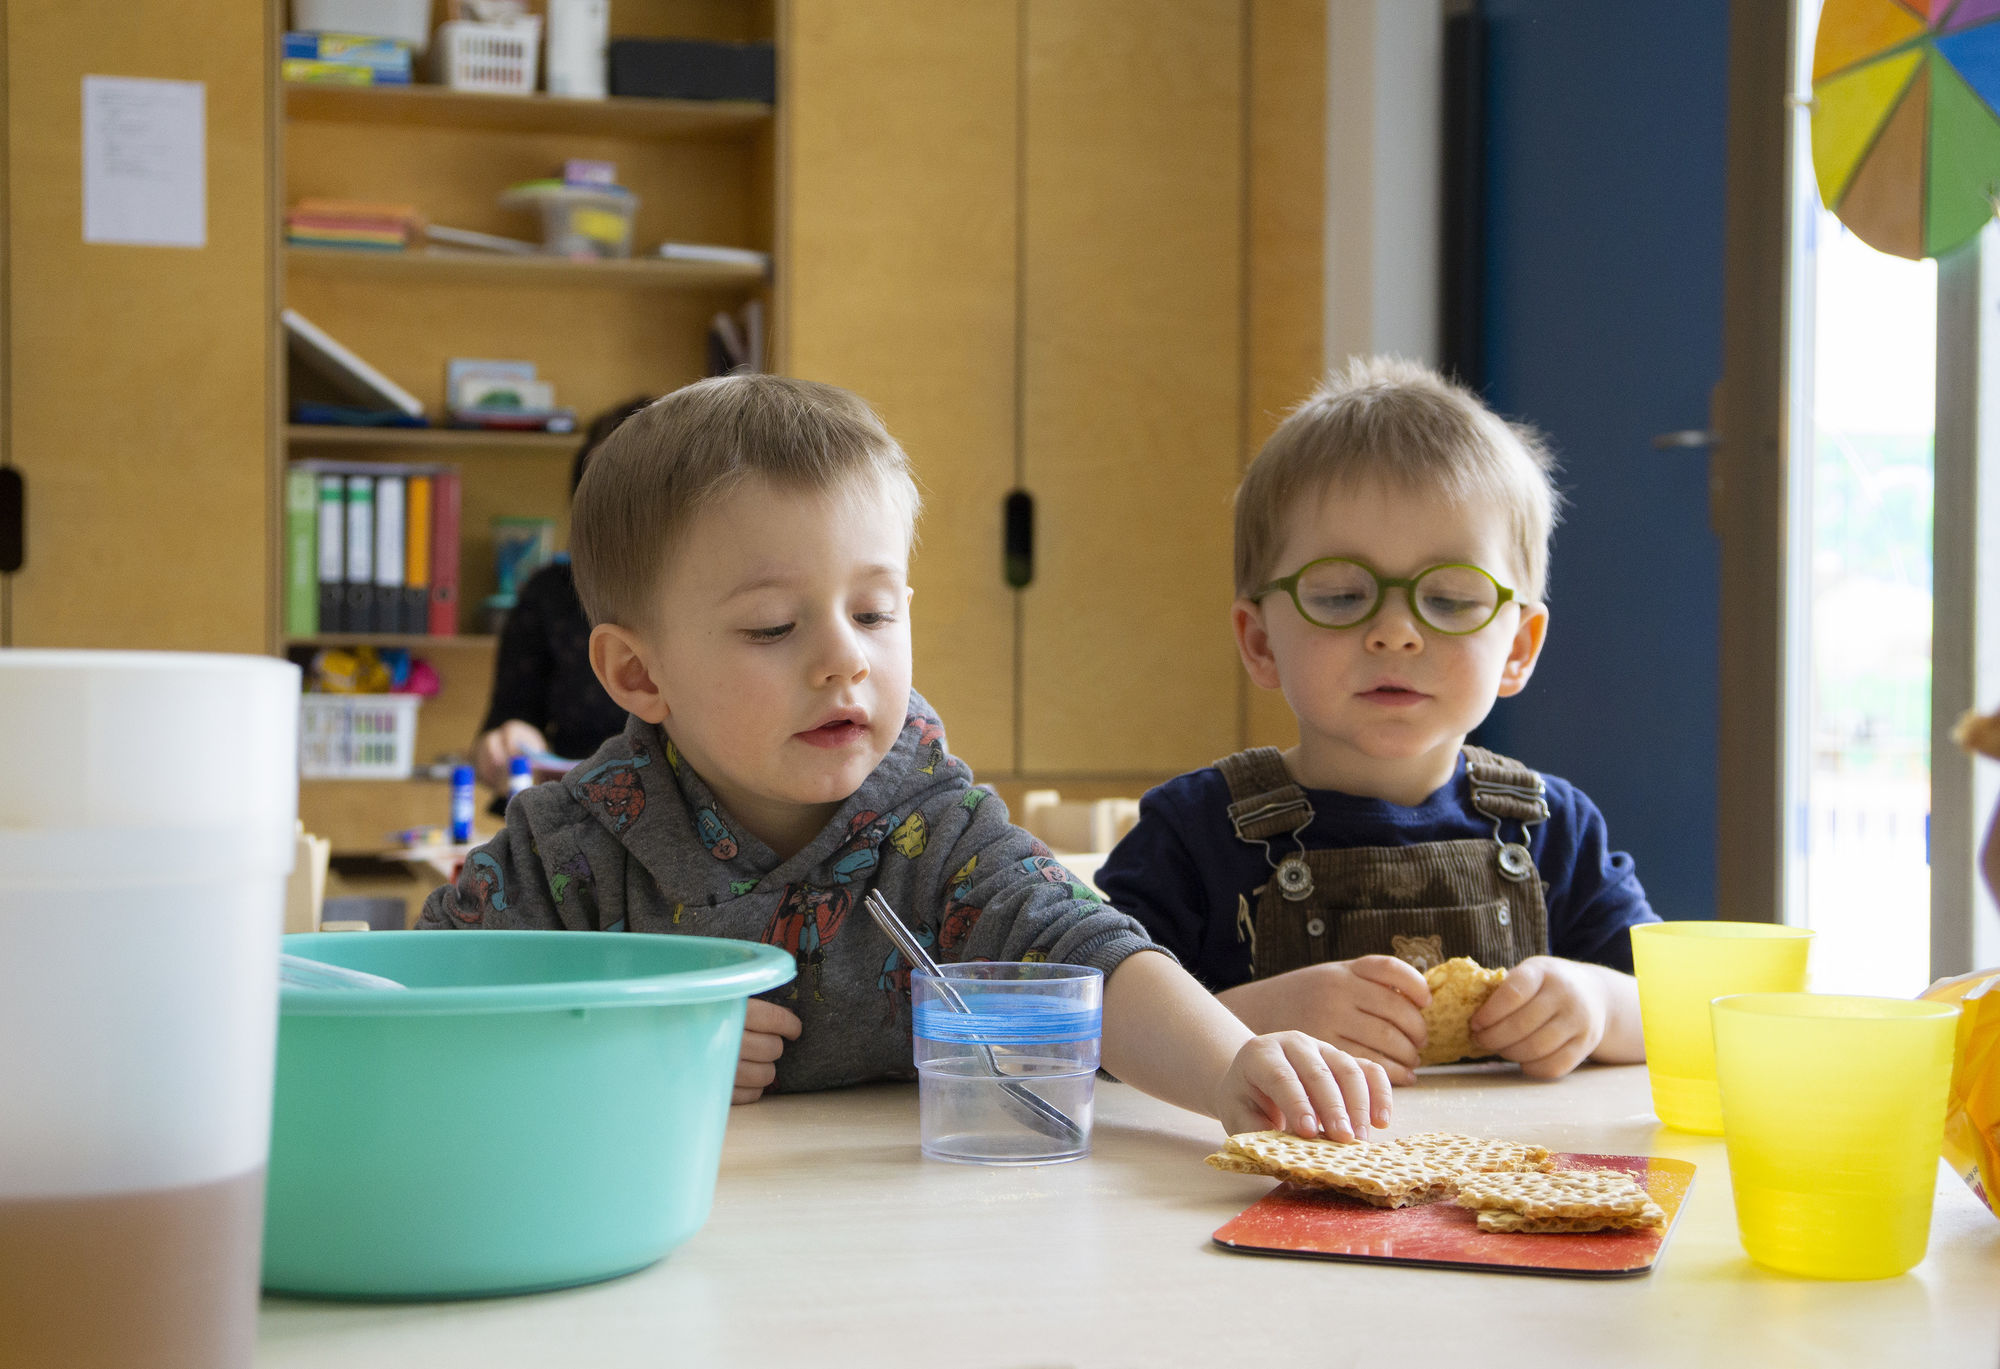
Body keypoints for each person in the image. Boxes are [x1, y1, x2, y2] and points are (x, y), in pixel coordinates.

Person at [420, 374, 1393, 1141]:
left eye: (874, 612)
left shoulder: (936, 825)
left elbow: (1088, 959)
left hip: (911, 1247)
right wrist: (618, 1047)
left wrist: (1229, 1068)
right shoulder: (568, 851)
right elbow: (419, 1019)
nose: (845, 655)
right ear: (637, 674)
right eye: (770, 626)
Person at [1095, 356, 1654, 1085]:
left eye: (1451, 599)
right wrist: (1250, 1022)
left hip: (1500, 1186)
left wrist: (1600, 1004)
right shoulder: (1192, 836)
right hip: (1249, 1191)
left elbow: (1676, 1014)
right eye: (1339, 594)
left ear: (1517, 648)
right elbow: (1091, 1024)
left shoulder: (1556, 833)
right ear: (1260, 640)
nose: (1396, 631)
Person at [471, 399, 653, 796]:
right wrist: (506, 742)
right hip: (579, 811)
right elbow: (508, 723)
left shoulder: (724, 596)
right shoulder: (550, 593)